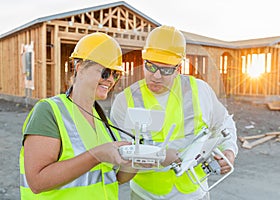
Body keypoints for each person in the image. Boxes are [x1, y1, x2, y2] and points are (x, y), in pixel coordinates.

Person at [110, 25, 238, 200]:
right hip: (145, 195)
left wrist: (229, 151)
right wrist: (160, 156)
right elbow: (120, 154)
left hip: (195, 194)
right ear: (143, 59)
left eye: (166, 69)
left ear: (179, 68)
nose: (156, 76)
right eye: (151, 66)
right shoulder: (124, 101)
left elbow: (224, 124)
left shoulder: (200, 91)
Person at [19, 32, 135, 199]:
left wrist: (135, 163)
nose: (110, 79)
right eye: (105, 72)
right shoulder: (49, 111)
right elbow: (37, 182)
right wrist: (96, 155)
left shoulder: (102, 120)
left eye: (115, 74)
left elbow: (111, 178)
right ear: (79, 67)